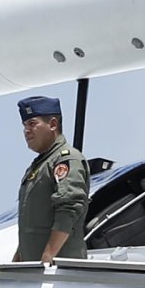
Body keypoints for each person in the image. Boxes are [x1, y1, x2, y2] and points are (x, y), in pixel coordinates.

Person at [13, 96, 90, 264]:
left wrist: (49, 256)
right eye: (24, 126)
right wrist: (17, 261)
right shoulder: (39, 166)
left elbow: (69, 209)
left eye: (32, 124)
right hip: (36, 269)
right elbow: (32, 224)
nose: (26, 131)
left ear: (53, 124)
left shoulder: (66, 159)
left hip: (58, 272)